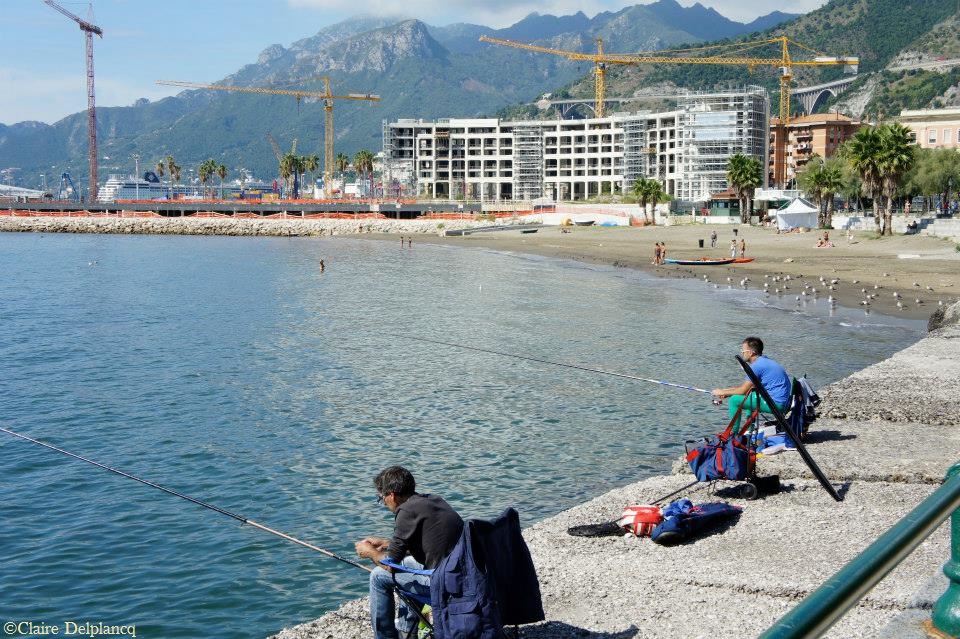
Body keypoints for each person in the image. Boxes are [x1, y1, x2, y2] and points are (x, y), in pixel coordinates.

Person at [356, 466, 464, 639]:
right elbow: (432, 542)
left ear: (391, 495)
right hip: (464, 574)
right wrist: (388, 543)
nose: (383, 502)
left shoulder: (405, 512)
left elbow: (389, 564)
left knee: (377, 576)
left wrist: (370, 552)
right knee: (407, 564)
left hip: (447, 585)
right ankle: (408, 632)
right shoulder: (433, 500)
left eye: (381, 497)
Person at [712, 337, 792, 430]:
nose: (742, 353)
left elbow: (743, 390)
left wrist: (721, 392)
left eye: (743, 350)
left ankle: (732, 435)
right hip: (782, 401)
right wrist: (726, 391)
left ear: (751, 352)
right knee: (750, 395)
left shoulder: (757, 366)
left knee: (734, 400)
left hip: (777, 404)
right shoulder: (764, 361)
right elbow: (749, 388)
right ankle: (750, 429)